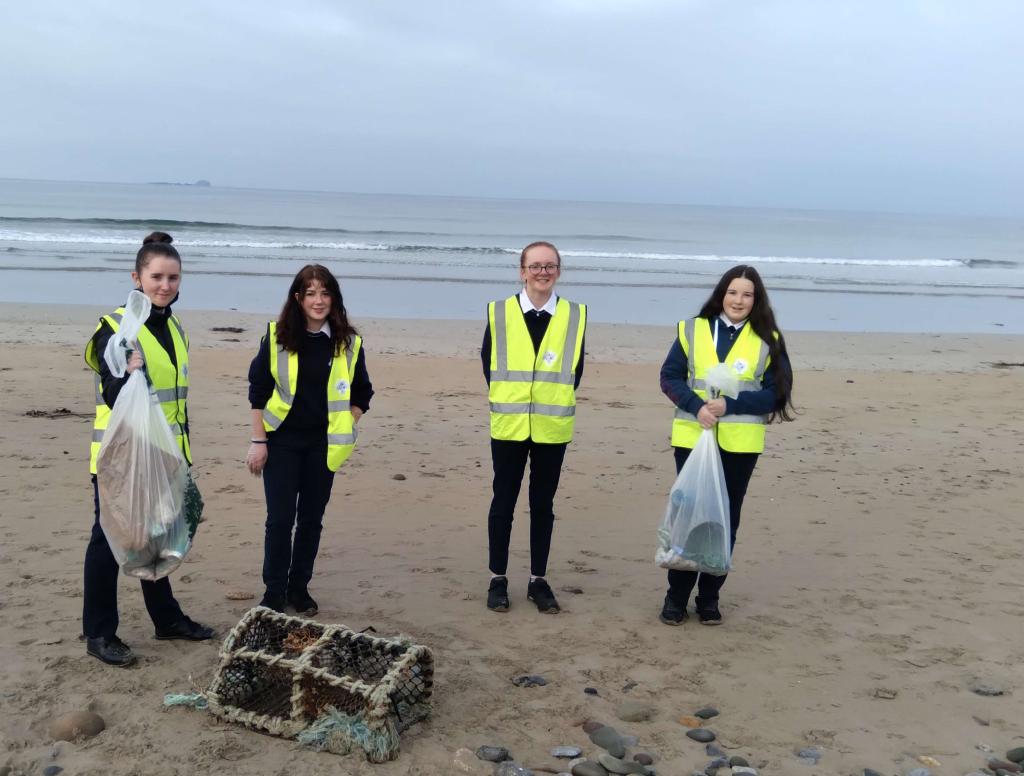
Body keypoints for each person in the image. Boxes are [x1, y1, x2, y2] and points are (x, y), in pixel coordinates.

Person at [82, 232, 214, 667]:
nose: (165, 285)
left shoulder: (174, 327)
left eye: (173, 277)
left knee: (156, 535)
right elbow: (110, 384)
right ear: (137, 278)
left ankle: (166, 619)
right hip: (121, 456)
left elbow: (176, 398)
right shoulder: (117, 327)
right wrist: (124, 371)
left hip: (164, 453)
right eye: (157, 276)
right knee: (110, 539)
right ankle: (100, 633)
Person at [658, 264, 794, 626]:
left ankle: (709, 597)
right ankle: (676, 595)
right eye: (733, 292)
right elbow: (669, 376)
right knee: (689, 516)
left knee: (724, 520)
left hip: (740, 444)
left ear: (756, 300)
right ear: (721, 294)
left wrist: (731, 406)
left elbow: (777, 393)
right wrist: (695, 405)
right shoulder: (693, 329)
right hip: (693, 439)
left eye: (747, 294)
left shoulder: (768, 339)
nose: (739, 300)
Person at [246, 264, 372, 616]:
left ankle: (299, 589)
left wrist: (347, 420)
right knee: (280, 519)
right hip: (282, 441)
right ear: (298, 298)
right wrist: (259, 441)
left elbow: (363, 391)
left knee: (311, 520)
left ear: (334, 298)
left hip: (323, 446)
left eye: (326, 292)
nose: (319, 300)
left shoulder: (348, 343)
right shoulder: (276, 337)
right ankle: (273, 592)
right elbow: (258, 391)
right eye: (311, 293)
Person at [481, 241, 587, 614]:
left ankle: (537, 580)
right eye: (536, 266)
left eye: (550, 266)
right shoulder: (499, 312)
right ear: (522, 271)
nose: (543, 272)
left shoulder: (575, 315)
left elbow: (575, 371)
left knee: (543, 505)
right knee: (503, 503)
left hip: (551, 427)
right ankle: (498, 578)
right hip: (508, 425)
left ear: (559, 271)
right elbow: (488, 365)